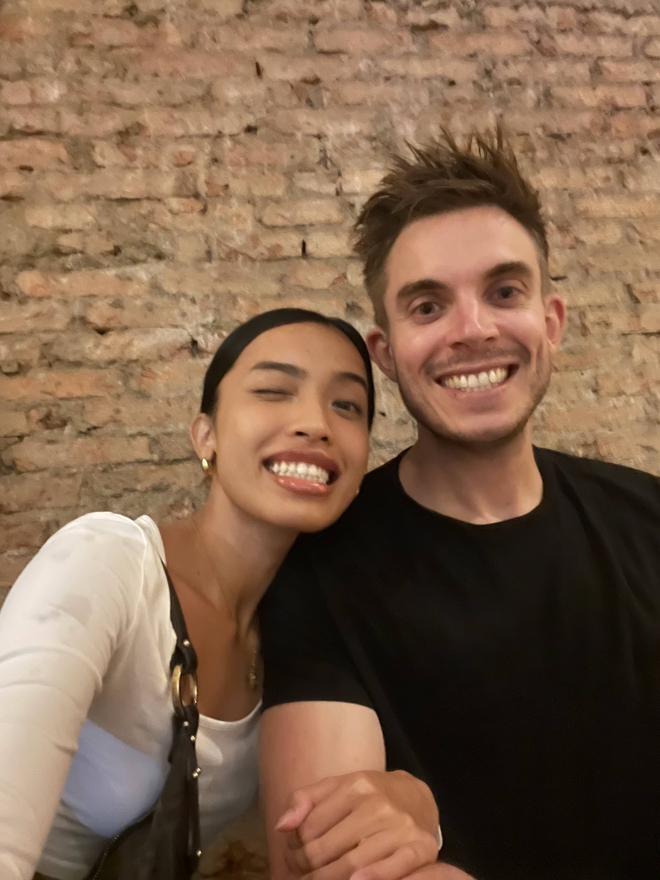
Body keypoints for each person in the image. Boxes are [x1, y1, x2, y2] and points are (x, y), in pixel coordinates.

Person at [258, 130, 660, 880]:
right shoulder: (318, 573)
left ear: (552, 321)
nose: (472, 330)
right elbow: (329, 865)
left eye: (504, 292)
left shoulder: (647, 517)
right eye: (428, 305)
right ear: (385, 352)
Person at [0, 308, 437, 880]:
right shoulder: (108, 565)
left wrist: (420, 809)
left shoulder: (306, 634)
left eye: (347, 405)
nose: (315, 423)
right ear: (205, 434)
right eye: (273, 391)